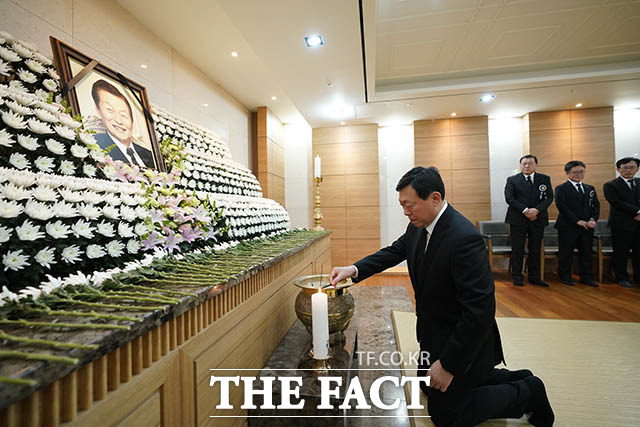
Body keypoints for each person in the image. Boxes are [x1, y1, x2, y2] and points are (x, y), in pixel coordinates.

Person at [330, 166, 554, 426]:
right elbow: (394, 251)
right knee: (426, 386)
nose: (405, 212)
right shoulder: (419, 224)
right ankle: (512, 377)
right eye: (402, 205)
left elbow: (479, 312)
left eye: (409, 205)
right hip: (435, 332)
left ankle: (528, 392)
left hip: (466, 340)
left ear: (435, 198)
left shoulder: (463, 238)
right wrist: (353, 269)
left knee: (446, 415)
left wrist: (448, 365)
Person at [504, 155, 553, 287]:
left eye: (529, 163)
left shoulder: (544, 179)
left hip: (538, 218)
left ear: (536, 165)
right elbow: (510, 198)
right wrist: (526, 211)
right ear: (520, 165)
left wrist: (536, 210)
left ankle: (534, 277)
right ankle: (517, 276)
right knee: (517, 248)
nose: (526, 166)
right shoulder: (512, 180)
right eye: (524, 163)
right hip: (518, 218)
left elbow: (549, 198)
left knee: (535, 248)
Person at [554, 161, 599, 287]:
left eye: (581, 171)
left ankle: (586, 277)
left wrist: (592, 219)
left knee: (586, 253)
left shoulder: (590, 188)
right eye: (575, 172)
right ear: (568, 173)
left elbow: (596, 206)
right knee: (566, 253)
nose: (579, 174)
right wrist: (576, 221)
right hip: (568, 226)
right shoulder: (561, 188)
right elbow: (562, 207)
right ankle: (565, 277)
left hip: (587, 227)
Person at [91, 79, 154, 168]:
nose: (119, 121)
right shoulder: (95, 146)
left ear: (132, 122)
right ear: (98, 111)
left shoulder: (149, 155)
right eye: (109, 110)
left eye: (123, 115)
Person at [603, 157, 640, 288]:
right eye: (624, 168)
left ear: (637, 169)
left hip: (639, 224)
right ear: (618, 169)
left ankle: (638, 277)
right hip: (621, 224)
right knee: (621, 253)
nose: (628, 170)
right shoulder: (611, 185)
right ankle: (622, 278)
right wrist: (637, 212)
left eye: (632, 167)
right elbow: (616, 203)